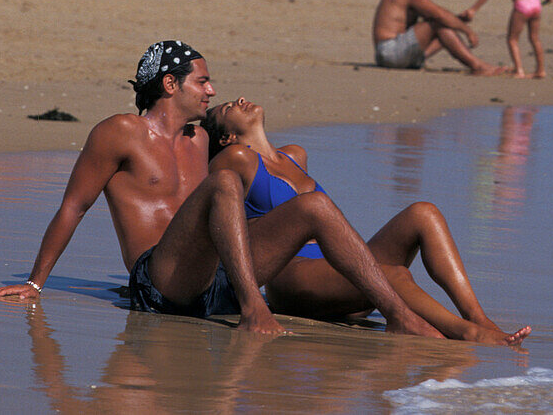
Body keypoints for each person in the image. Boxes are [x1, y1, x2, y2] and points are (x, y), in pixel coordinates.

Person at [0, 42, 441, 338]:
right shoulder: (119, 133)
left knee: (314, 206)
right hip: (163, 281)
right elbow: (73, 206)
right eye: (202, 81)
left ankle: (396, 315)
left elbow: (267, 175)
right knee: (223, 182)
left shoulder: (203, 139)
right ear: (170, 84)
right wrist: (35, 282)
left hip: (219, 275)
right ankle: (253, 312)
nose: (212, 89)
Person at [200, 97, 532, 346]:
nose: (241, 101)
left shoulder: (294, 155)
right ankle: (468, 333)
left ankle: (477, 316)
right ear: (227, 137)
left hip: (336, 265)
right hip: (294, 276)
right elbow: (213, 204)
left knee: (424, 212)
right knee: (392, 274)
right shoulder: (236, 158)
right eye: (229, 108)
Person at [372, 0, 502, 75]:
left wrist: (459, 20)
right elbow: (439, 15)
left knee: (442, 25)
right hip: (390, 52)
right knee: (439, 22)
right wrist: (467, 31)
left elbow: (438, 20)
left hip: (396, 54)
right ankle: (477, 65)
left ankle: (477, 64)